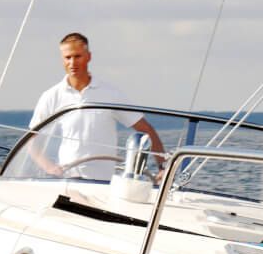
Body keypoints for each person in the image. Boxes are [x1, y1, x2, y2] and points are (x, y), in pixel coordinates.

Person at [29, 32, 164, 183]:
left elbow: (146, 130)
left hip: (103, 184)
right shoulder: (51, 96)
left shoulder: (110, 94)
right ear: (62, 60)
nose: (72, 63)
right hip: (67, 180)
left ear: (88, 57)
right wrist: (49, 167)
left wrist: (162, 167)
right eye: (68, 57)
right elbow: (32, 140)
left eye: (77, 56)